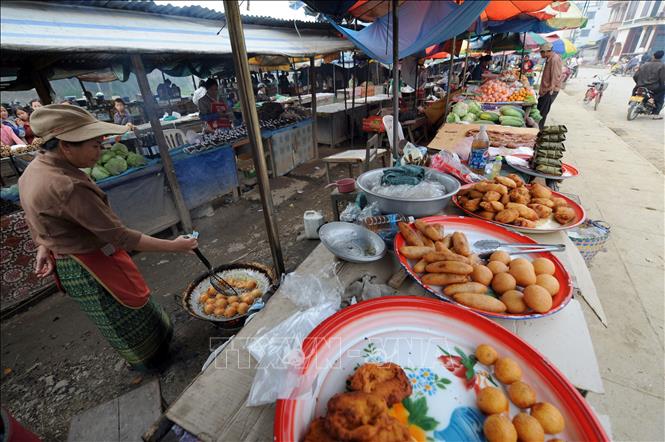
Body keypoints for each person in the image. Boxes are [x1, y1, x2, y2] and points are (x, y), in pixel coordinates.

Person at [18, 104, 198, 370]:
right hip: (92, 265)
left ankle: (154, 352)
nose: (100, 151)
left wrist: (44, 243)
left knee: (123, 316)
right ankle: (155, 361)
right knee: (126, 316)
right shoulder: (68, 186)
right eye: (94, 145)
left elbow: (40, 216)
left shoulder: (34, 169)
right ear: (66, 146)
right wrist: (175, 246)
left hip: (71, 262)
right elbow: (122, 237)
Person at [536, 43, 563, 130]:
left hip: (549, 91)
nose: (541, 55)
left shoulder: (555, 59)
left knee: (542, 113)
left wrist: (550, 90)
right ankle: (537, 130)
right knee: (539, 111)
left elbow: (556, 76)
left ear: (546, 51)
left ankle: (538, 132)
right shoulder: (549, 59)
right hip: (545, 90)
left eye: (541, 53)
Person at [633, 50, 665, 118]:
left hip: (641, 85)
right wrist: (662, 86)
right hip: (654, 87)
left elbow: (635, 76)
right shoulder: (662, 66)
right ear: (662, 57)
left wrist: (638, 83)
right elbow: (662, 78)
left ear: (653, 55)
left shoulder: (644, 64)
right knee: (662, 93)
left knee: (635, 88)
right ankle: (655, 112)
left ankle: (632, 101)